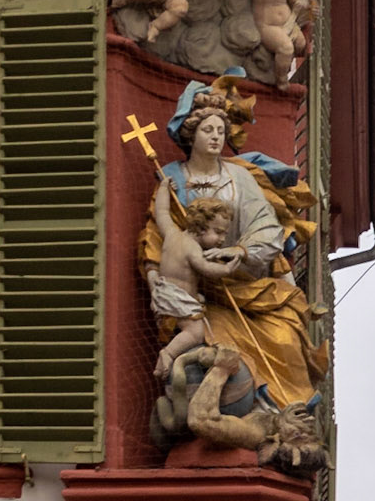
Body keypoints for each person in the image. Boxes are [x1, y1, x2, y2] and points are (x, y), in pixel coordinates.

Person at [140, 76, 329, 409]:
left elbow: (267, 227)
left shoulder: (239, 177)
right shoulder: (172, 178)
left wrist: (240, 251)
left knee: (285, 336)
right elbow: (160, 230)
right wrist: (156, 276)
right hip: (202, 294)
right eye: (207, 131)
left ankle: (285, 410)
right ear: (191, 134)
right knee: (206, 344)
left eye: (220, 132)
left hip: (246, 284)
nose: (215, 138)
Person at [149, 198, 246, 381]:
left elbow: (161, 212)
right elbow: (206, 269)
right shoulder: (193, 249)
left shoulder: (171, 233)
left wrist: (163, 187)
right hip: (176, 299)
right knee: (195, 331)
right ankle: (168, 353)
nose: (223, 239)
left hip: (164, 292)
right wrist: (227, 269)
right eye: (218, 232)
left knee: (197, 306)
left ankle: (166, 360)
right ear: (201, 228)